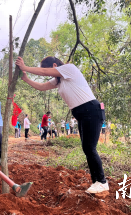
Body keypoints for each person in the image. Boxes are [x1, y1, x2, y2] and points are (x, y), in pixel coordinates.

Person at [15, 56, 108, 194]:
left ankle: (102, 182)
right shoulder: (59, 81)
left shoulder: (69, 69)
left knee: (89, 148)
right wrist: (26, 79)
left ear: (54, 65)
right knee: (87, 148)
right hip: (83, 115)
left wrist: (25, 67)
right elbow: (41, 87)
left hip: (92, 111)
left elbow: (44, 73)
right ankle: (96, 182)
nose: (46, 72)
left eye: (47, 69)